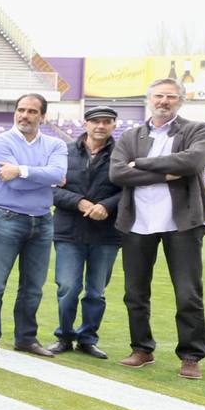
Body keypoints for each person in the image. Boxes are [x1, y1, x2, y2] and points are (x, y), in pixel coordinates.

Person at [110, 77, 205, 379]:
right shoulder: (131, 135)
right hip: (137, 223)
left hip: (182, 223)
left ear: (180, 100)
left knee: (188, 293)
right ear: (149, 99)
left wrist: (139, 164)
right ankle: (142, 348)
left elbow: (192, 162)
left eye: (170, 96)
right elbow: (117, 173)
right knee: (135, 292)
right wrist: (165, 174)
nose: (163, 101)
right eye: (158, 96)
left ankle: (191, 355)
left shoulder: (197, 129)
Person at [0, 93, 64, 357]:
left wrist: (22, 170)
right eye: (21, 110)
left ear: (42, 116)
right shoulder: (1, 142)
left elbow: (58, 175)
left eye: (32, 111)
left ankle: (26, 338)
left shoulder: (55, 144)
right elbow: (11, 181)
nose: (25, 115)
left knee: (33, 285)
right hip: (7, 218)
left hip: (42, 220)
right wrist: (41, 175)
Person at [50, 106, 122, 358]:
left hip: (107, 233)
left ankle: (88, 338)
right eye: (95, 122)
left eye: (106, 122)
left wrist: (106, 206)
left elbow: (130, 190)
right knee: (68, 286)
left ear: (114, 125)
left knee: (96, 291)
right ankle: (65, 336)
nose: (100, 126)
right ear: (85, 123)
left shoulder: (122, 154)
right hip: (69, 230)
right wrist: (79, 201)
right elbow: (49, 188)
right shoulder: (63, 152)